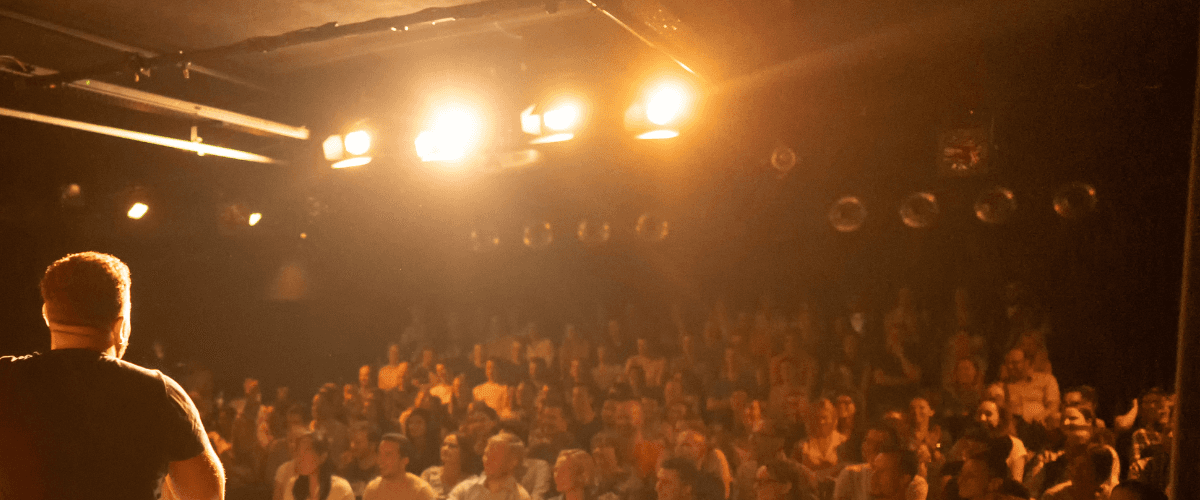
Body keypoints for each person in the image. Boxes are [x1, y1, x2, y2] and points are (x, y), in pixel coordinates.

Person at [0, 252, 223, 500]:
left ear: (46, 314)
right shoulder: (158, 393)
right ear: (121, 326)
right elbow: (206, 496)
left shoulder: (5, 379)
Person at [447, 432, 532, 500]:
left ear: (513, 462)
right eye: (486, 454)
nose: (487, 460)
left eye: (494, 456)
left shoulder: (520, 496)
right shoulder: (466, 488)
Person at [284, 432, 356, 500]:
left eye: (306, 452)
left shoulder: (340, 488)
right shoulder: (292, 485)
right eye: (298, 452)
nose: (300, 457)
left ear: (323, 457)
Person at [364, 434, 438, 500]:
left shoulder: (421, 492)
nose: (380, 460)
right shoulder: (372, 490)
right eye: (380, 454)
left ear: (405, 460)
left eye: (388, 455)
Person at [422, 433, 484, 500]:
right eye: (444, 445)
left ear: (464, 452)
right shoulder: (429, 475)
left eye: (452, 446)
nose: (445, 449)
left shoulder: (471, 482)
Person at [1041, 445, 1115, 500]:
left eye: (1084, 469)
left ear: (1101, 479)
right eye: (1076, 467)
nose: (1075, 472)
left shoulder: (1111, 496)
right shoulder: (1054, 497)